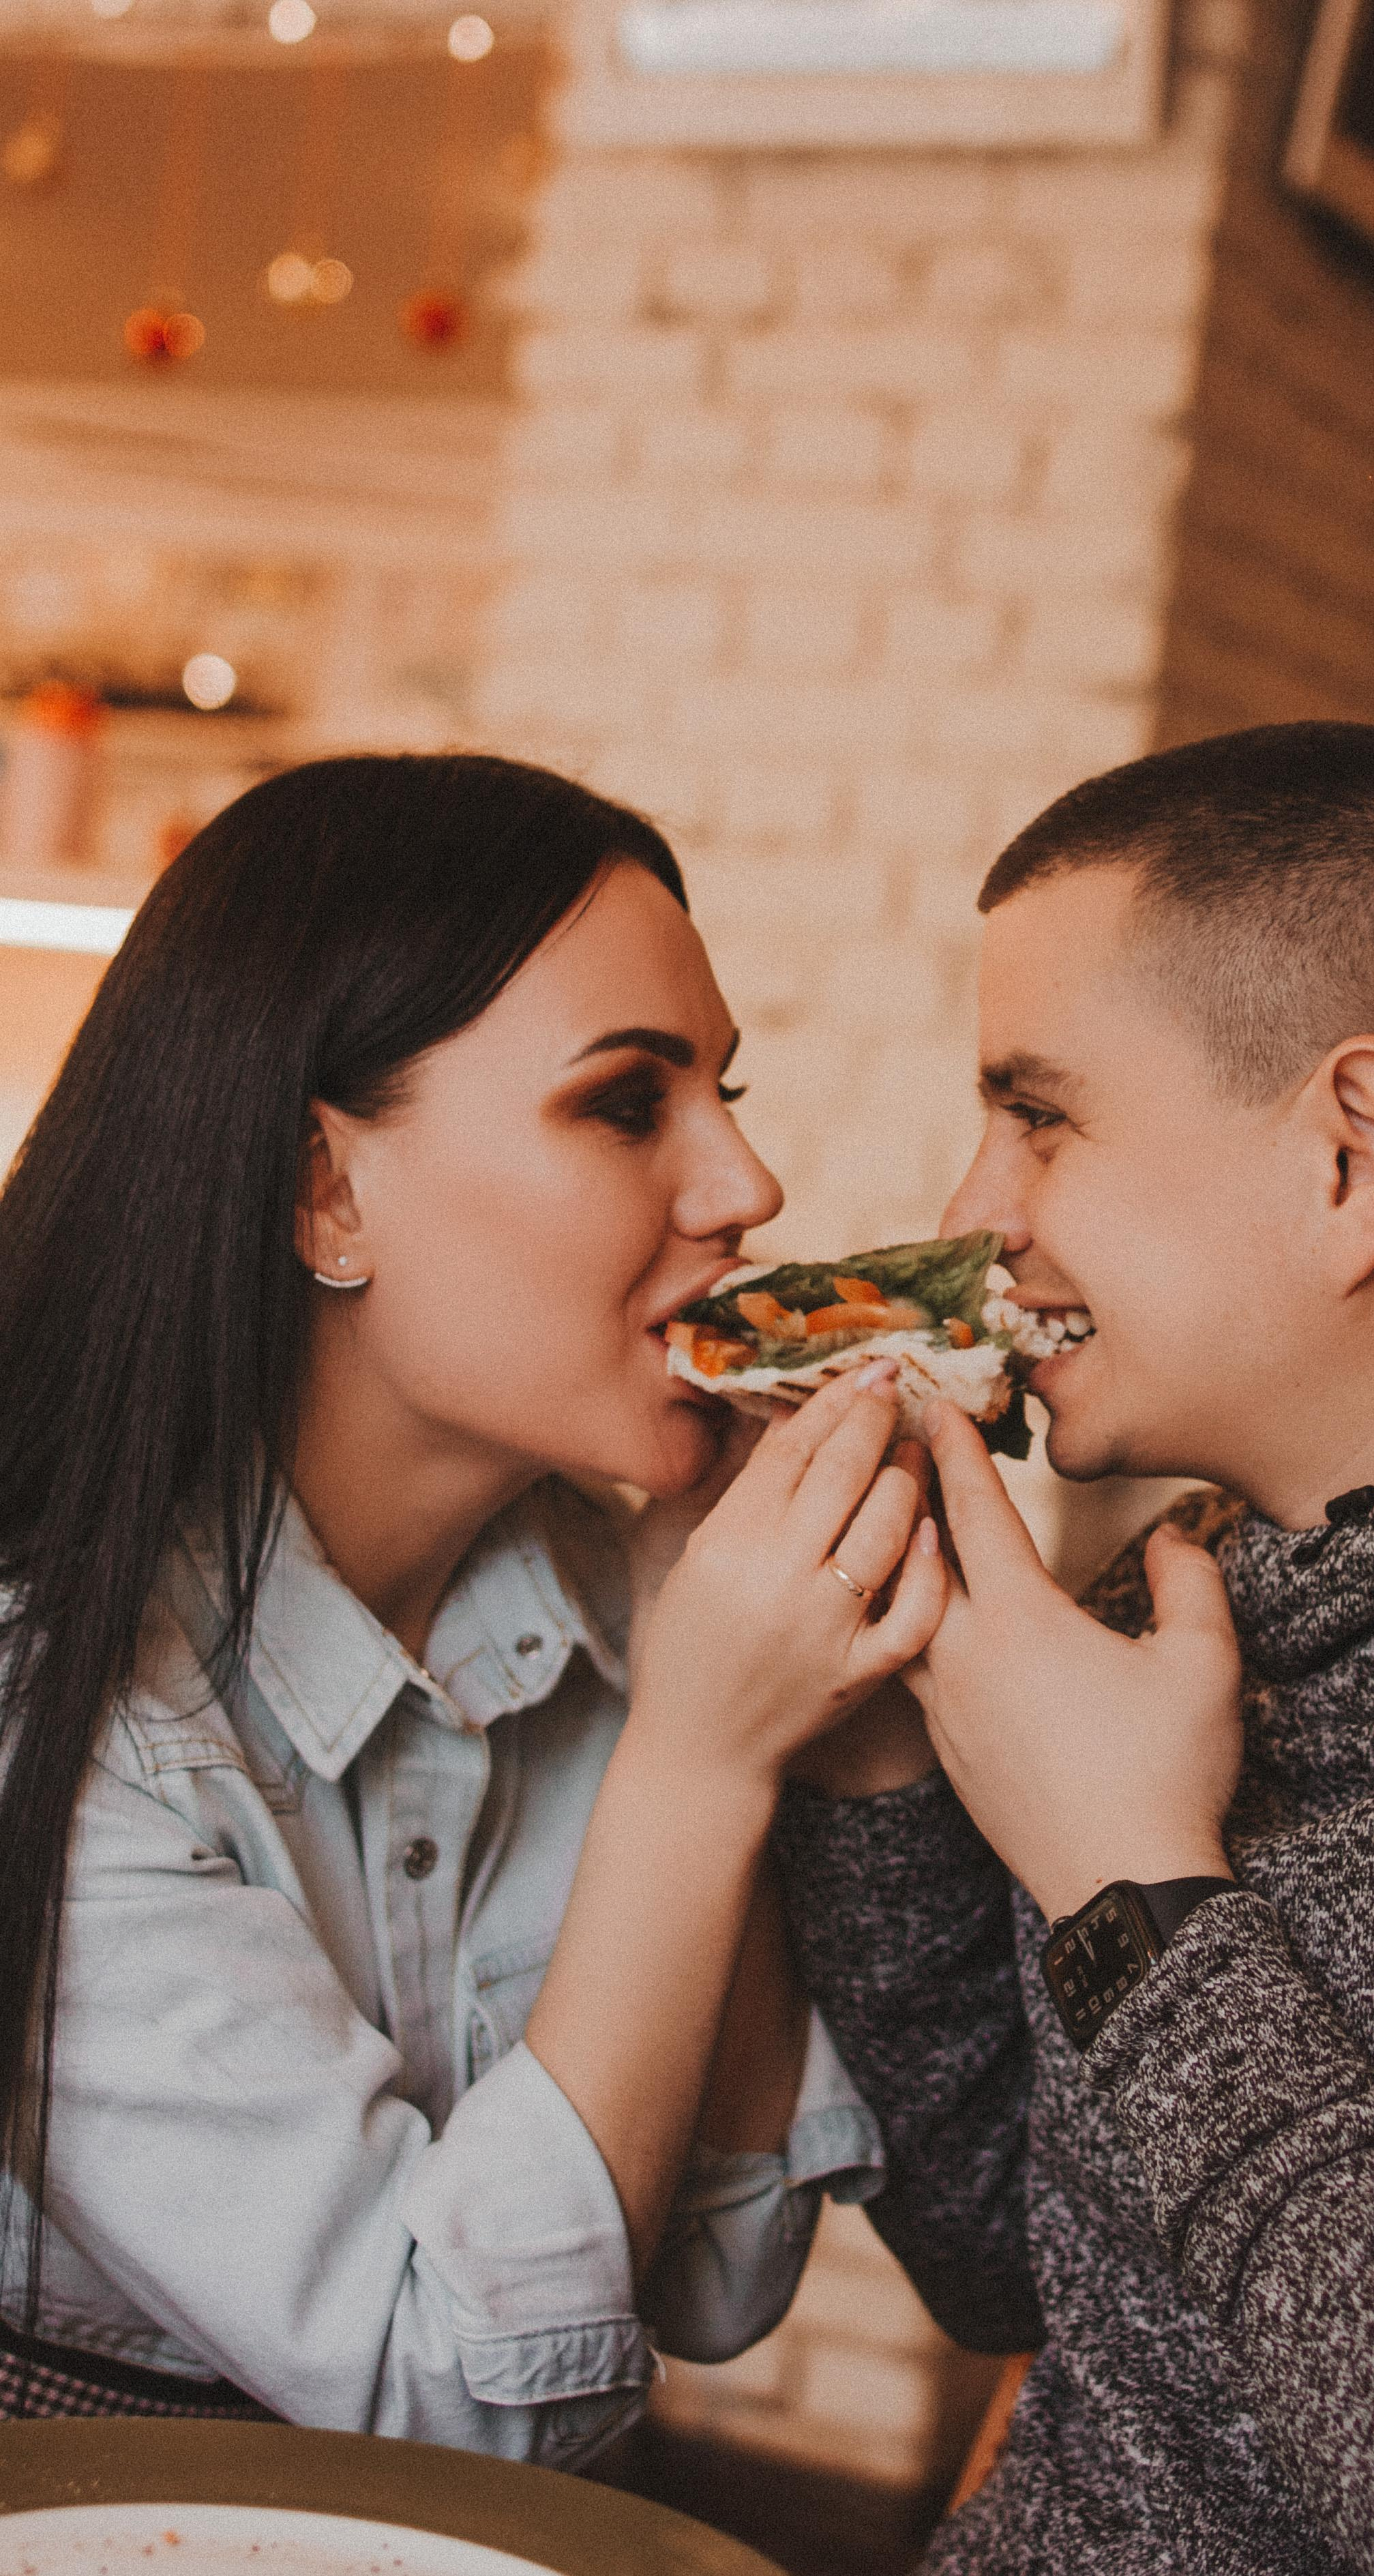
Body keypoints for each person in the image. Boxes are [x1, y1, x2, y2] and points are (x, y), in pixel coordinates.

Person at [779, 723, 1374, 2573]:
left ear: (1351, 1150)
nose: (969, 1219)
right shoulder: (1182, 1583)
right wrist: (887, 1727)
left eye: (1038, 1117)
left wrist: (1131, 1896)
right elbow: (1005, 2264)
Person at [0, 752, 944, 2456]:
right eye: (626, 1102)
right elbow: (454, 2398)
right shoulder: (59, 1718)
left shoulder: (622, 1598)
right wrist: (701, 1760)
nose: (747, 1188)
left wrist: (723, 1689)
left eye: (724, 1089)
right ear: (326, 1189)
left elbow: (722, 2272)